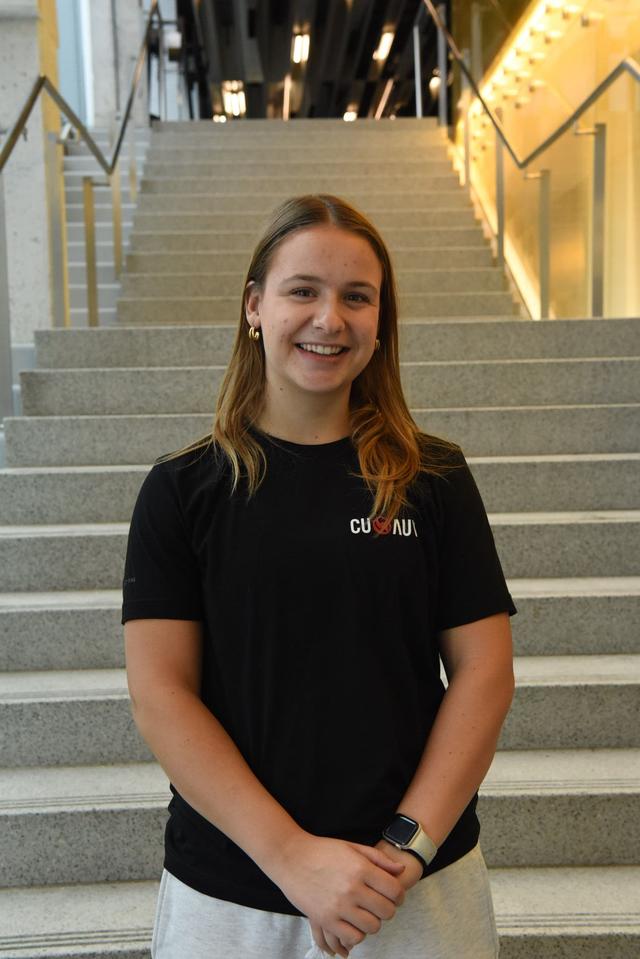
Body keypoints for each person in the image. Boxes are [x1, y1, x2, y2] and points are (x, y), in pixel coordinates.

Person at [122, 193, 517, 959]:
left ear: (380, 321)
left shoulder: (432, 479)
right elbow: (160, 693)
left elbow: (485, 672)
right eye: (303, 290)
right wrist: (293, 857)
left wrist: (406, 848)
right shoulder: (182, 491)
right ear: (255, 307)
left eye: (356, 297)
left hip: (414, 888)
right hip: (230, 891)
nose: (329, 319)